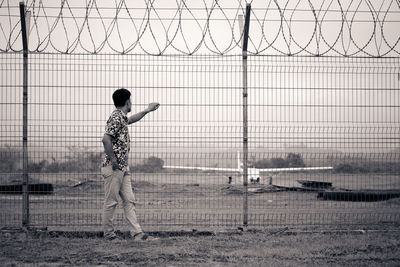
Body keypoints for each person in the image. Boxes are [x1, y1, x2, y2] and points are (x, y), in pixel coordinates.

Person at [101, 88, 160, 241]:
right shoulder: (116, 118)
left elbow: (132, 119)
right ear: (127, 101)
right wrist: (114, 161)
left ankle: (137, 234)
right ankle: (109, 235)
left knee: (129, 200)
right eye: (131, 100)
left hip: (122, 168)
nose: (131, 103)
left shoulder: (121, 117)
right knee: (111, 202)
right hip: (114, 167)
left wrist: (147, 110)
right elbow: (106, 139)